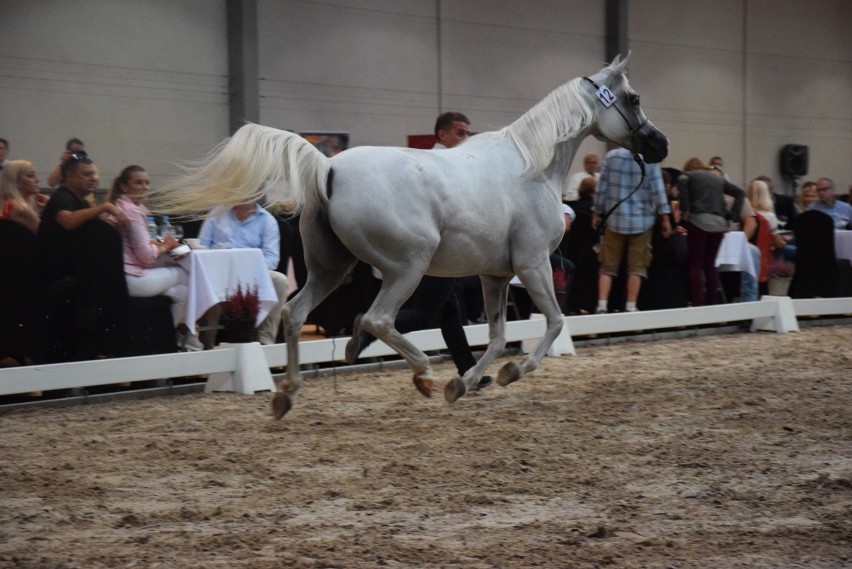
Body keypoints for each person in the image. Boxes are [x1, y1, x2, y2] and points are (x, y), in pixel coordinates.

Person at [350, 111, 491, 391]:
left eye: (468, 134)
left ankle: (468, 371)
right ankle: (369, 328)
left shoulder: (436, 162)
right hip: (440, 250)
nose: (466, 139)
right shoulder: (441, 165)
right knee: (425, 313)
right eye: (460, 133)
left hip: (436, 248)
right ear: (442, 134)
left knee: (450, 311)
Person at [105, 165, 201, 351]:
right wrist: (167, 245)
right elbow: (147, 257)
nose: (145, 187)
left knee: (182, 291)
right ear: (124, 187)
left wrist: (159, 245)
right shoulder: (132, 211)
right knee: (188, 277)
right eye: (138, 182)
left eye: (147, 183)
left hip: (123, 276)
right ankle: (170, 336)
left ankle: (171, 336)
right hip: (133, 280)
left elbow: (140, 247)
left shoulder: (121, 206)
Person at [198, 200, 288, 346]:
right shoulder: (216, 214)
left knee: (280, 280)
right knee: (208, 281)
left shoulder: (267, 220)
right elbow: (201, 248)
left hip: (252, 275)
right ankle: (206, 342)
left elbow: (272, 259)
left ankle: (266, 340)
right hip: (219, 273)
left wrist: (247, 267)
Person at [592, 147, 671, 313]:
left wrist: (597, 212)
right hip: (642, 221)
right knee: (637, 267)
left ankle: (602, 305)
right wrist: (665, 217)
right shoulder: (651, 158)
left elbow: (602, 187)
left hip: (615, 220)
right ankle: (631, 306)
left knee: (607, 266)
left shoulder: (611, 157)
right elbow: (658, 191)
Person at [38, 152, 128, 286]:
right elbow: (68, 221)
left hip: (74, 271)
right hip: (57, 278)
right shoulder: (62, 197)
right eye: (87, 174)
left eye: (93, 174)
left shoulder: (82, 202)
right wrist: (105, 207)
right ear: (70, 177)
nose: (93, 179)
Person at [677, 158, 744, 306]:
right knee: (710, 264)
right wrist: (733, 217)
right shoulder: (717, 179)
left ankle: (698, 303)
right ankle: (712, 302)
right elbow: (740, 193)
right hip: (719, 225)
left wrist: (686, 210)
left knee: (696, 265)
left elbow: (681, 186)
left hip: (698, 222)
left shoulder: (686, 176)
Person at [0, 159, 44, 233]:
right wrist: (51, 206)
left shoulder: (7, 204)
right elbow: (47, 235)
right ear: (16, 181)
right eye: (30, 176)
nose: (37, 180)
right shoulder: (22, 207)